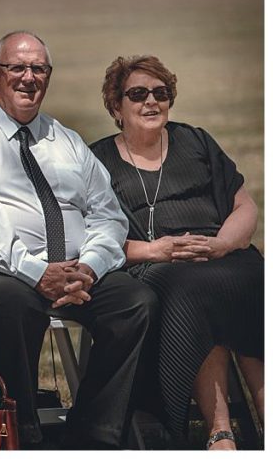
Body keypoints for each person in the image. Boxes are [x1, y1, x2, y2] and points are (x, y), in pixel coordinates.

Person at [0, 31, 159, 448]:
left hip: (72, 268)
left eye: (39, 69)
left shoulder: (65, 140)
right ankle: (21, 436)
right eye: (18, 68)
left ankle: (93, 435)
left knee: (135, 303)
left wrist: (90, 266)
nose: (29, 78)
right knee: (15, 305)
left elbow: (107, 214)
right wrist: (36, 272)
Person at [90, 55, 264, 450]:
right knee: (192, 288)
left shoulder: (196, 140)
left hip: (218, 253)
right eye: (137, 94)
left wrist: (220, 244)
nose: (151, 101)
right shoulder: (97, 160)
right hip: (153, 262)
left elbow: (245, 208)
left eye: (160, 93)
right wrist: (154, 249)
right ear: (116, 106)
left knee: (257, 277)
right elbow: (92, 238)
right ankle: (220, 433)